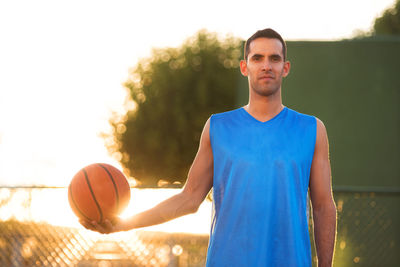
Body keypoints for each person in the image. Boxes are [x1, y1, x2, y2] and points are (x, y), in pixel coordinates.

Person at [81, 28, 337, 267]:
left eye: (274, 58)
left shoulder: (311, 130)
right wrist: (122, 224)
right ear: (244, 67)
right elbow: (189, 199)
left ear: (286, 67)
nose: (266, 65)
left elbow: (324, 206)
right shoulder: (218, 127)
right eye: (257, 58)